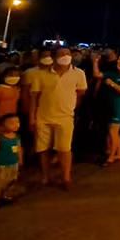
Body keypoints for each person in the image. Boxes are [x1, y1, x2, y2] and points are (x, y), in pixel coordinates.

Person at [30, 48, 87, 188]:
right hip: (43, 116)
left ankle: (66, 178)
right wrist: (32, 117)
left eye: (68, 54)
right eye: (62, 54)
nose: (65, 56)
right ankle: (46, 177)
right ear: (54, 57)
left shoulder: (78, 73)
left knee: (64, 149)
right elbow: (34, 96)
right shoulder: (41, 74)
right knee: (43, 149)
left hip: (65, 117)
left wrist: (69, 104)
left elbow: (81, 92)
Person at [93, 52, 120, 165]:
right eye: (119, 59)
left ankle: (111, 156)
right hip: (110, 104)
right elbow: (97, 74)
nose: (119, 61)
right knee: (112, 131)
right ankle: (119, 153)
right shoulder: (113, 73)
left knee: (113, 131)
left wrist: (112, 84)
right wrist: (95, 62)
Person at [0, 113, 22, 208]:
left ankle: (5, 195)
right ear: (3, 125)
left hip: (13, 164)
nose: (16, 125)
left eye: (17, 122)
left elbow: (19, 149)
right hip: (2, 164)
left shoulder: (16, 137)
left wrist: (20, 159)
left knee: (11, 180)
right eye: (12, 123)